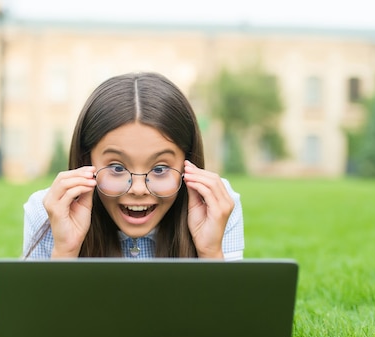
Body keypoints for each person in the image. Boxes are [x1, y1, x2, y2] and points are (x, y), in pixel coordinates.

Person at [23, 72, 244, 260]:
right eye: (117, 168)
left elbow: (226, 312)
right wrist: (65, 251)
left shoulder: (217, 205)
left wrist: (210, 252)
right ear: (86, 162)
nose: (138, 189)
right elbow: (38, 312)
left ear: (188, 167)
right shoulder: (47, 211)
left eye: (159, 169)